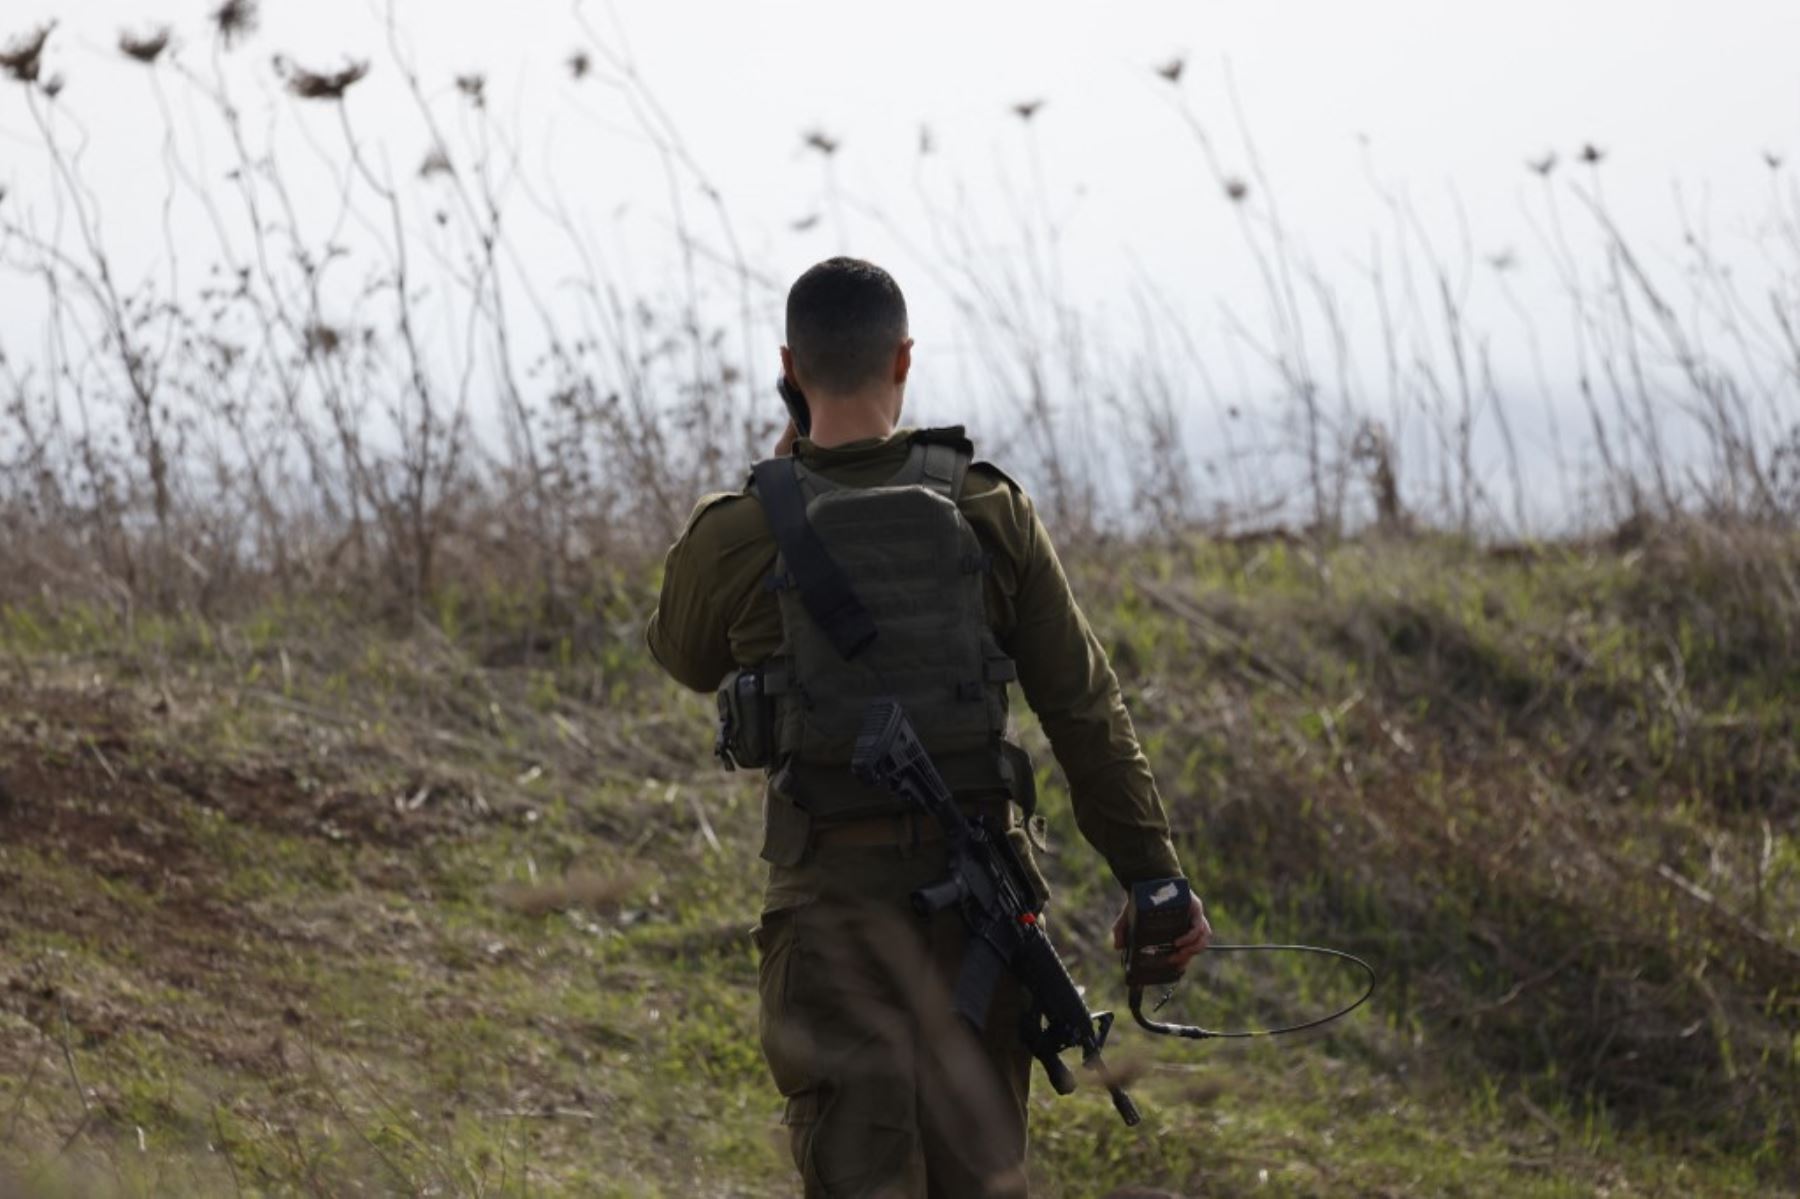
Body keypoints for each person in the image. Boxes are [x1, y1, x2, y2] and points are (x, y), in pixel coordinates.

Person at [647, 256, 1210, 1197]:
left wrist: (785, 475)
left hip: (829, 926)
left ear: (789, 365)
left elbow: (681, 653)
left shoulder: (738, 532)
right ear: (904, 359)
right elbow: (1082, 708)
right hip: (977, 923)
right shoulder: (989, 509)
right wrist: (1153, 879)